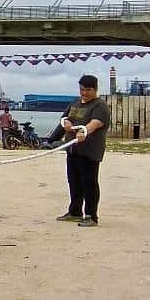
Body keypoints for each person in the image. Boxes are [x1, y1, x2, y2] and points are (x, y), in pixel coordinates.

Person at [52, 74, 110, 227]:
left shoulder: (100, 106)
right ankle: (75, 212)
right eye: (82, 89)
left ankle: (91, 215)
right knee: (74, 182)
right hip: (73, 150)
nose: (84, 93)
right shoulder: (75, 103)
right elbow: (64, 119)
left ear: (95, 89)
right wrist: (63, 128)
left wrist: (84, 131)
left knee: (89, 183)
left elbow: (96, 123)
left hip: (89, 151)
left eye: (88, 90)